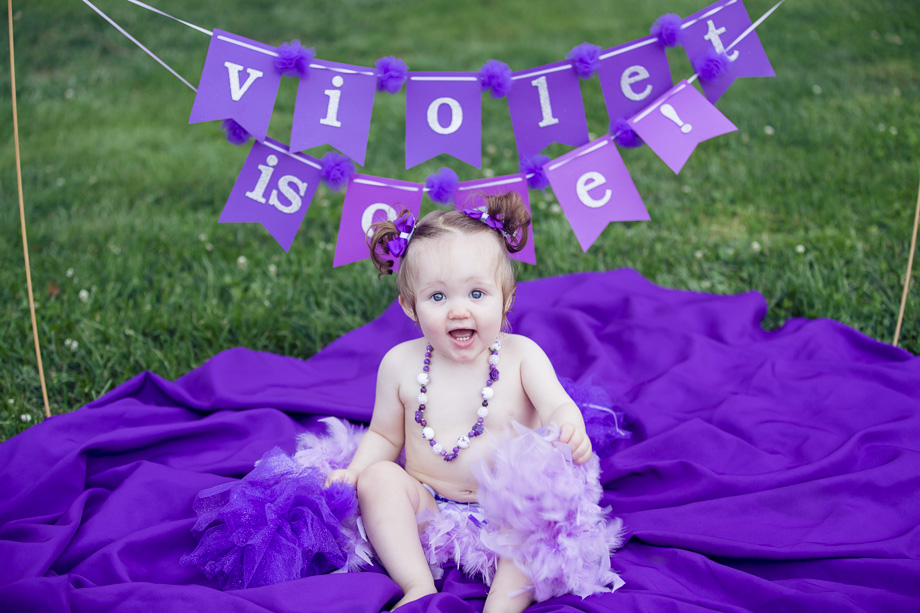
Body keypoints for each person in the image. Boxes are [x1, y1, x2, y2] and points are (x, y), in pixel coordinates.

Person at [325, 192, 614, 612]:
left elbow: (557, 406)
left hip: (508, 511)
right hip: (429, 510)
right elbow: (384, 434)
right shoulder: (399, 365)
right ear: (410, 307)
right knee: (379, 481)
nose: (459, 311)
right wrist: (356, 471)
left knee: (538, 517)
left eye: (477, 294)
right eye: (438, 297)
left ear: (506, 298)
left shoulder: (522, 356)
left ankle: (503, 604)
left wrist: (570, 428)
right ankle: (417, 584)